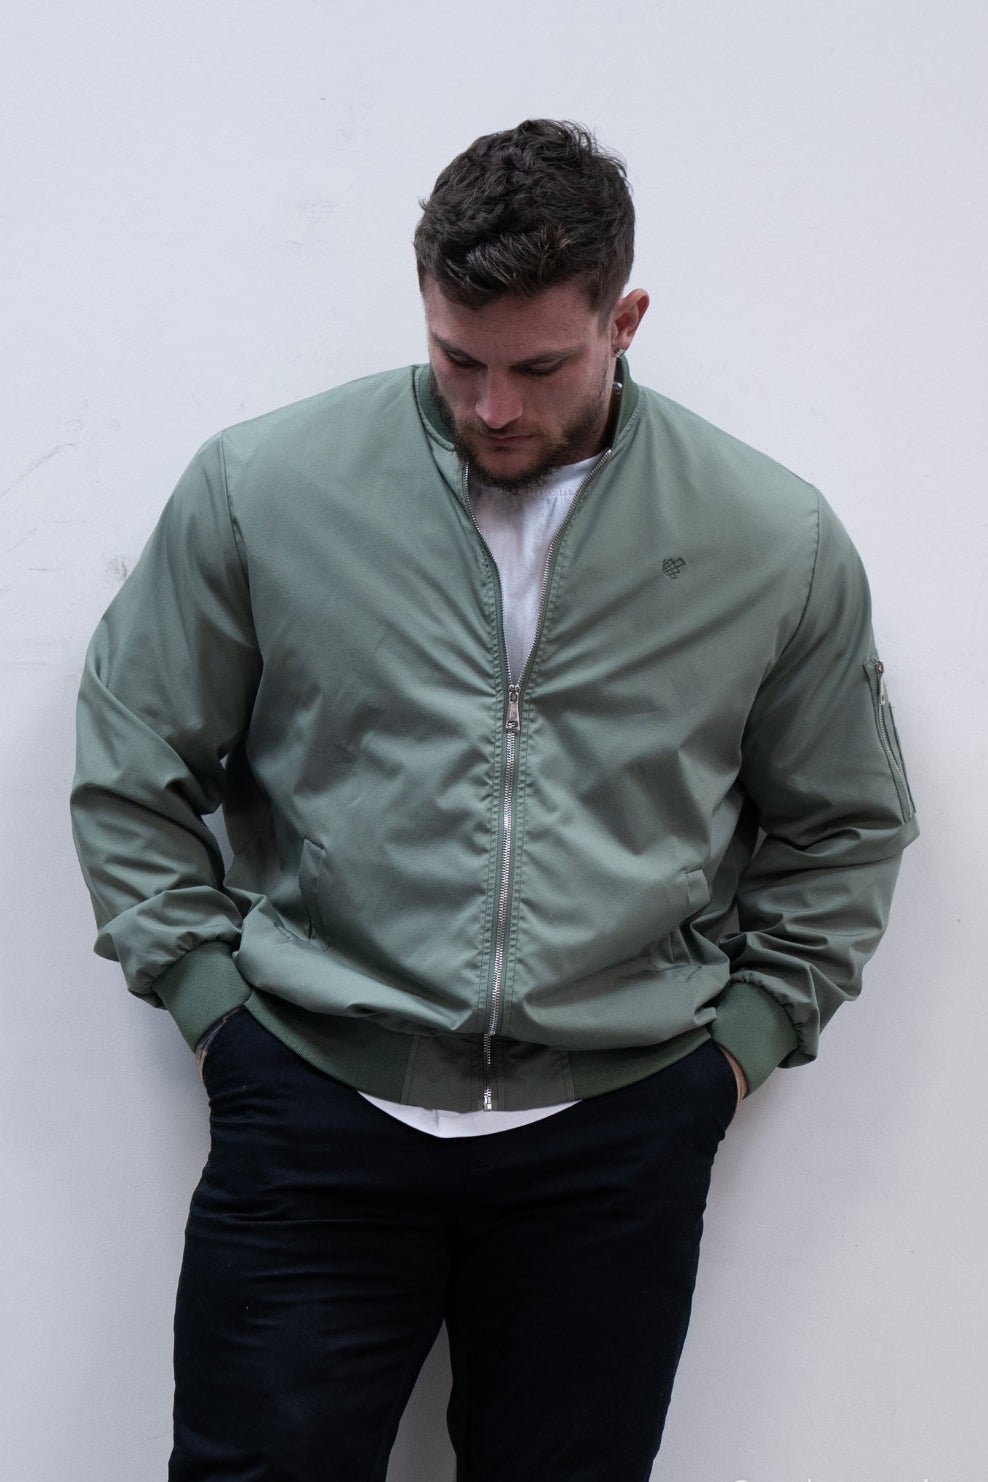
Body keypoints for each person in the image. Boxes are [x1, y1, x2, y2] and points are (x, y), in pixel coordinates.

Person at [71, 119, 917, 1482]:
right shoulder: (266, 488)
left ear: (624, 319)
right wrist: (214, 1009)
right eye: (459, 359)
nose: (495, 407)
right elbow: (133, 754)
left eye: (539, 366)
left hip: (617, 1121)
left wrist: (738, 1050)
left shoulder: (772, 537)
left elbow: (845, 823)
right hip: (318, 1096)